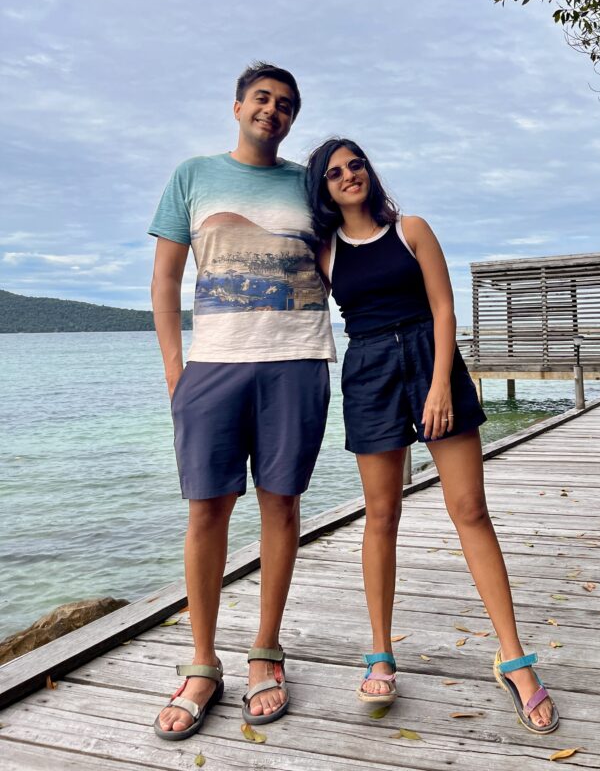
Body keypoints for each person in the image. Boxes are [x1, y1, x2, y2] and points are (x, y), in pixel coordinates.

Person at [305, 138, 559, 735]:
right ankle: (380, 652)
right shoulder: (324, 253)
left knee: (470, 508)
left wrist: (440, 383)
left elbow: (444, 309)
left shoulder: (411, 228)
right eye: (335, 173)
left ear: (369, 170)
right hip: (368, 371)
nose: (349, 177)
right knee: (381, 515)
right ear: (324, 188)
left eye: (356, 165)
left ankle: (513, 658)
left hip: (429, 356)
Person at [149, 63, 335, 741]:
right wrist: (176, 367)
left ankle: (265, 652)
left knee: (281, 504)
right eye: (263, 99)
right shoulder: (193, 176)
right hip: (214, 366)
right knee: (206, 510)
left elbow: (348, 256)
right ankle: (202, 663)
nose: (273, 111)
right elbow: (166, 279)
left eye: (286, 105)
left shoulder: (307, 186)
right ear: (237, 107)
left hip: (298, 361)